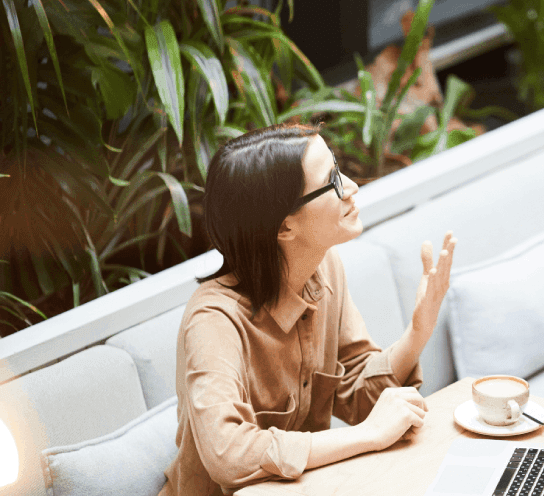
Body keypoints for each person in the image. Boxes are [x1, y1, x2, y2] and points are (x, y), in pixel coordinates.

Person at [159, 124, 457, 495]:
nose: (351, 187)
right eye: (332, 181)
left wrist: (418, 333)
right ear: (284, 228)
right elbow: (229, 454)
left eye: (339, 170)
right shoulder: (213, 321)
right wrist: (368, 435)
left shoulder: (324, 267)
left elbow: (357, 397)